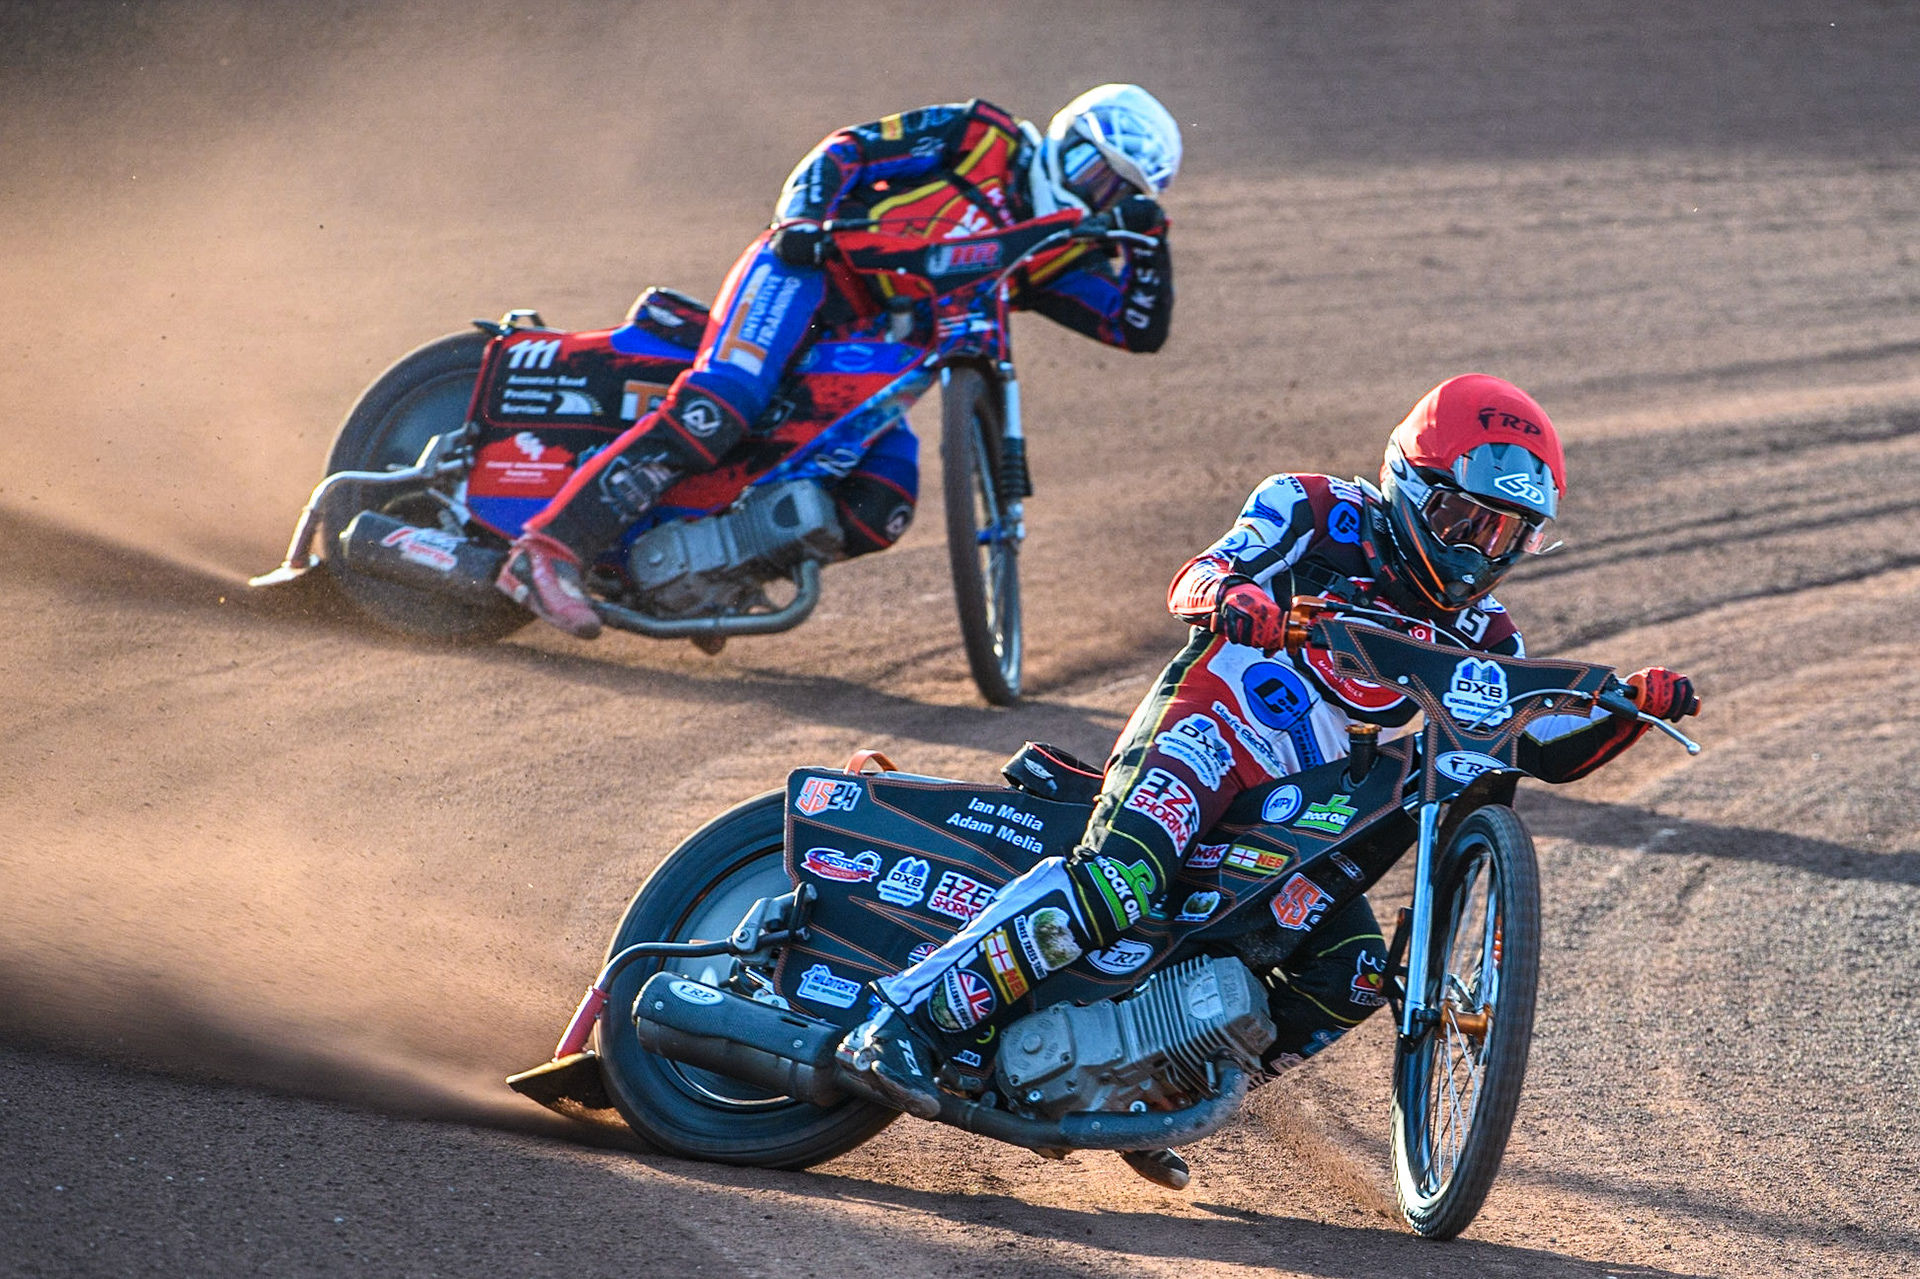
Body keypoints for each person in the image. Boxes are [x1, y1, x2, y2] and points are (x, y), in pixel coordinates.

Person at [835, 373, 1703, 1137]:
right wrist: (1238, 597)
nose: (1478, 551)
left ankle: (1156, 1086)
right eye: (1462, 518)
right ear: (1410, 481)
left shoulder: (1486, 634)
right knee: (1118, 880)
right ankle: (905, 1022)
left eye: (1506, 535)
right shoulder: (1317, 506)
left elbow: (1539, 746)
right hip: (1211, 735)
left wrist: (1627, 706)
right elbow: (1196, 577)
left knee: (1357, 971)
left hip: (1301, 812)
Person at [495, 85, 1183, 638]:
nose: (1099, 196)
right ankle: (547, 552)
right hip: (808, 276)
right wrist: (802, 220)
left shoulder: (1059, 251)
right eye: (1096, 172)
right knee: (721, 405)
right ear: (1067, 137)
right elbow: (849, 148)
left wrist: (1152, 247)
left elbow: (1135, 328)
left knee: (883, 498)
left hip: (872, 352)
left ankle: (709, 573)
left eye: (1118, 194)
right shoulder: (982, 137)